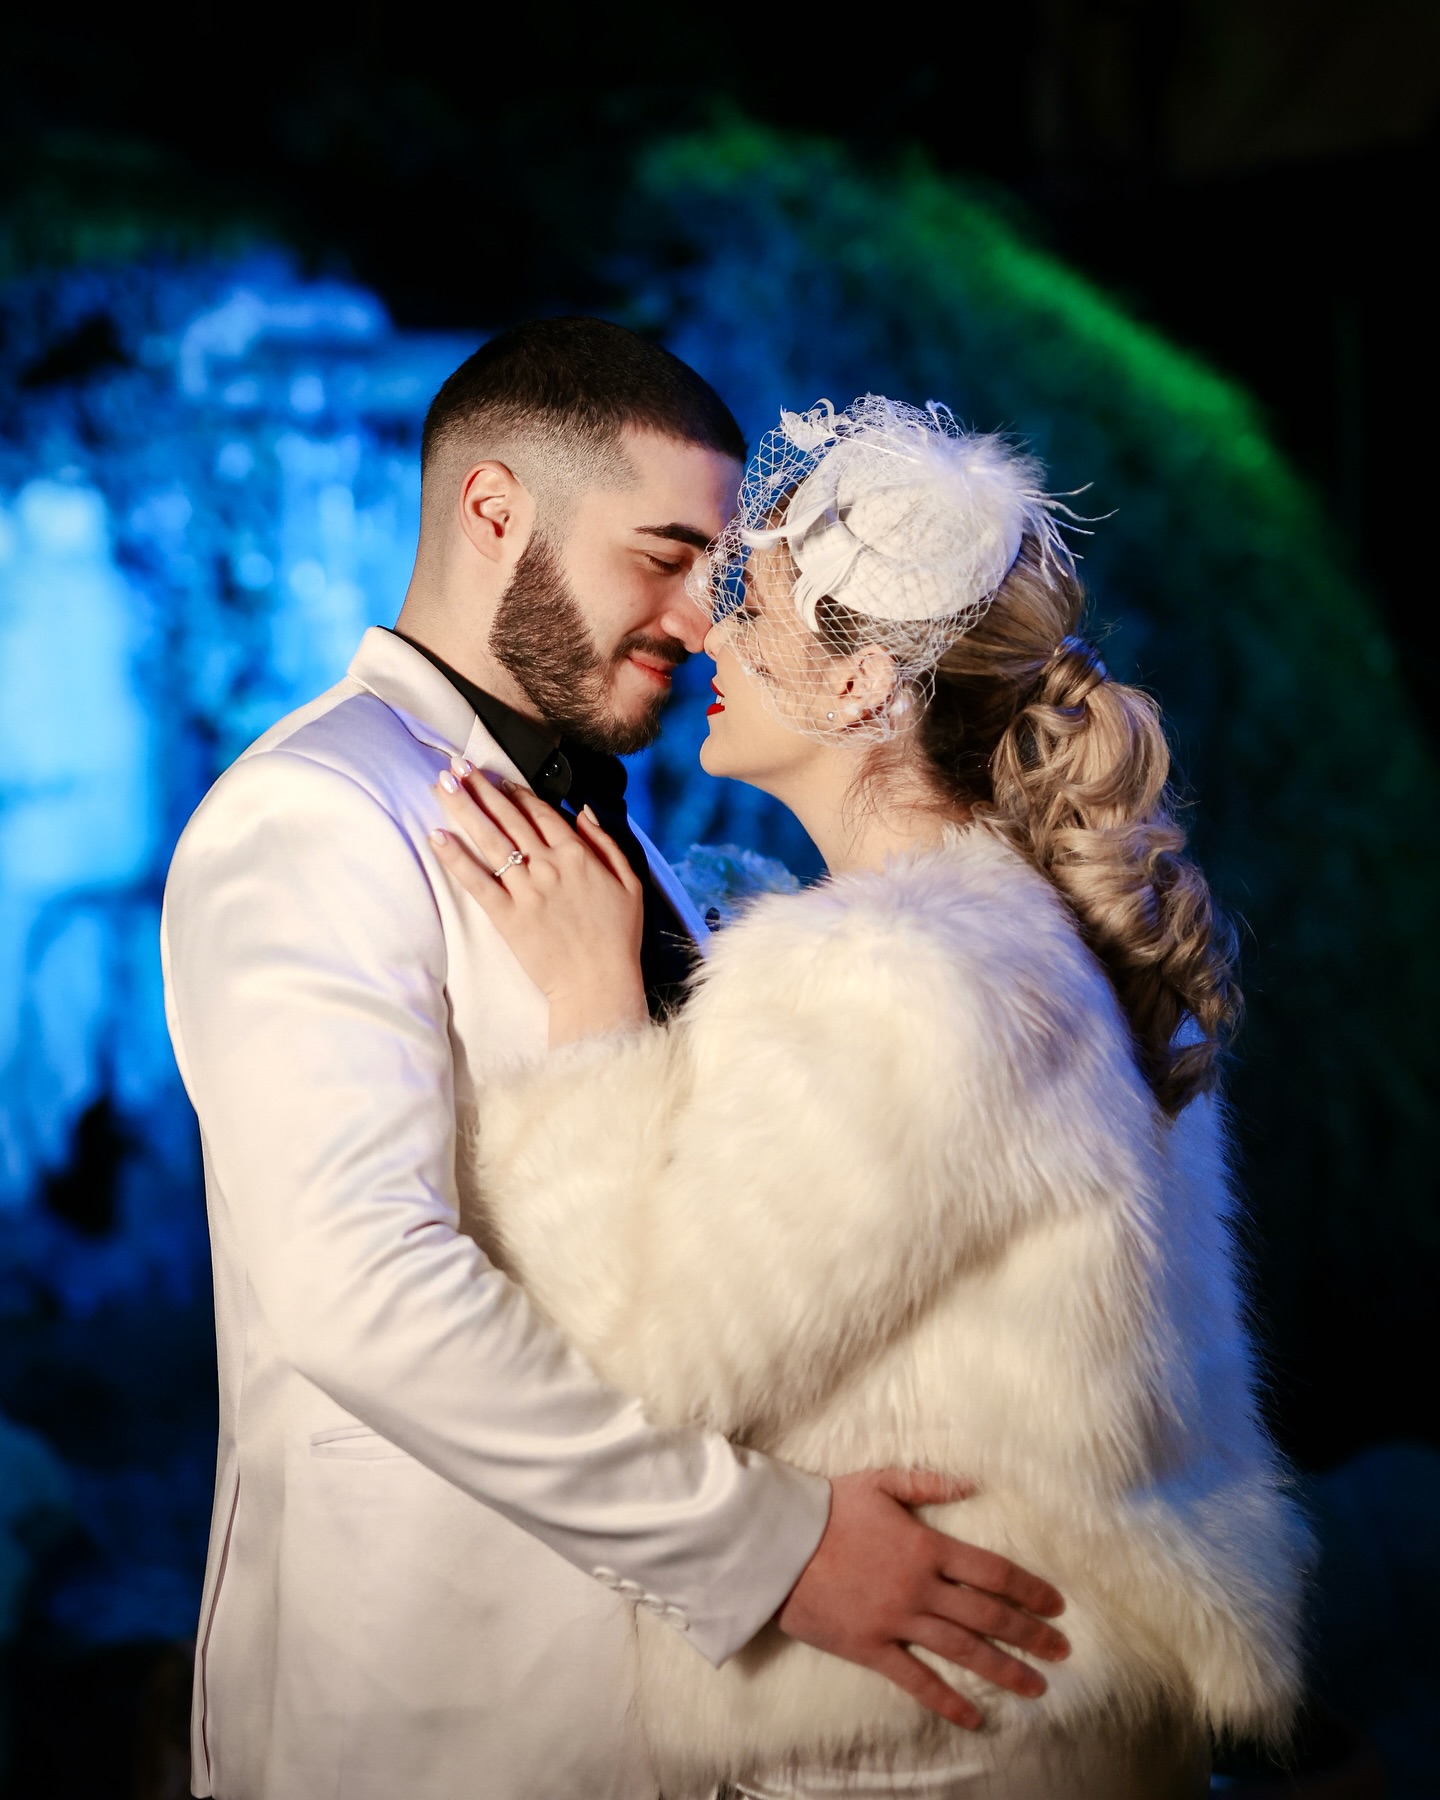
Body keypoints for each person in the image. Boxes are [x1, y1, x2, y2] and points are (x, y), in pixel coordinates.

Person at [160, 331, 1069, 1800]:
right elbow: (359, 1290)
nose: (704, 620)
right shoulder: (312, 816)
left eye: (719, 573)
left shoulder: (626, 835)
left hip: (678, 1724)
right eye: (664, 557)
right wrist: (771, 1548)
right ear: (494, 511)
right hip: (430, 1712)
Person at [429, 396, 1308, 1798]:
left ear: (859, 686)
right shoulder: (1018, 930)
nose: (706, 636)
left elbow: (640, 1377)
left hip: (932, 1743)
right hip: (1038, 1718)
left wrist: (590, 1025)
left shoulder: (894, 977)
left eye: (752, 606)